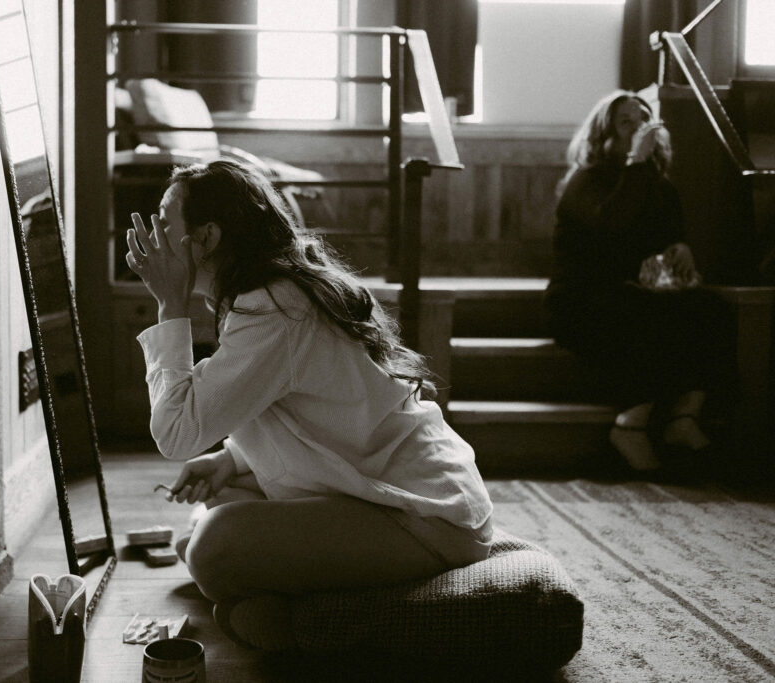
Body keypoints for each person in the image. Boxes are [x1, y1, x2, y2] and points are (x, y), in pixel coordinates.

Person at [125, 159, 493, 650]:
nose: (154, 234)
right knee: (214, 509)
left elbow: (175, 435)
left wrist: (169, 305)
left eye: (164, 220)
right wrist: (229, 459)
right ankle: (269, 597)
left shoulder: (273, 308)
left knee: (211, 546)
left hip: (426, 517)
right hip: (375, 486)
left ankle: (302, 623)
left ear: (207, 237)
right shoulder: (271, 295)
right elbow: (315, 410)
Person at [545, 90, 732, 473]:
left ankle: (684, 416)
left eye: (644, 120)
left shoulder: (658, 184)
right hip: (581, 300)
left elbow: (669, 234)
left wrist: (680, 248)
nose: (638, 128)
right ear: (605, 135)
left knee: (709, 307)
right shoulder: (586, 180)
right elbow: (612, 225)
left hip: (636, 293)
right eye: (626, 122)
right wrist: (635, 162)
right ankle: (630, 423)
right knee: (647, 315)